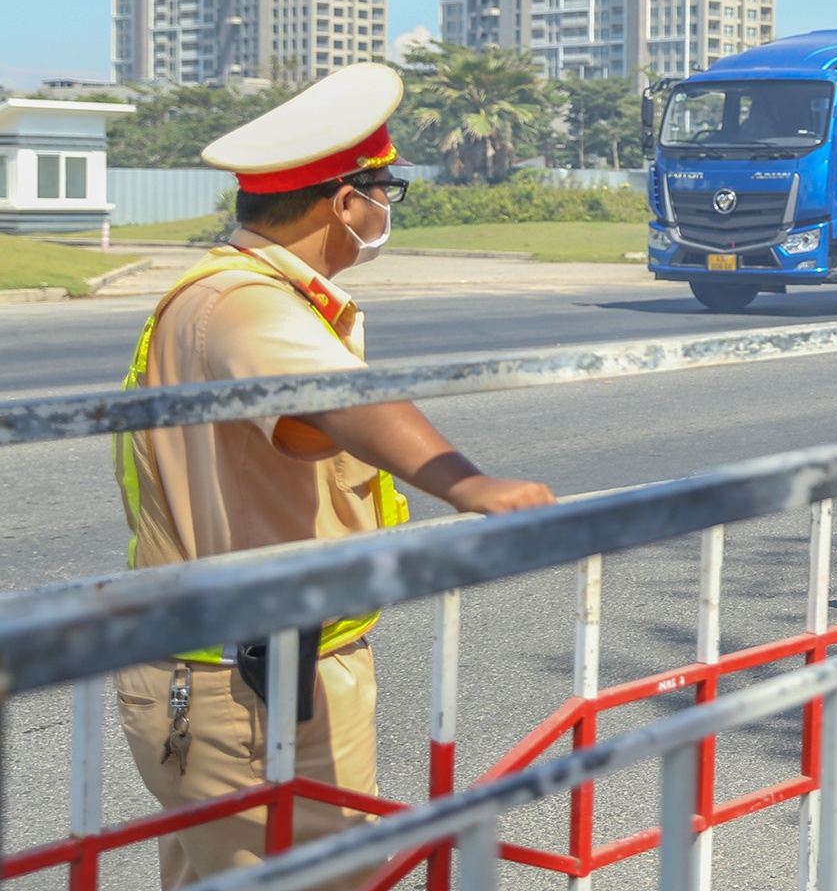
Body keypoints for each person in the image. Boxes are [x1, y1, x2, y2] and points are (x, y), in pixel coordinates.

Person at [113, 64, 555, 891]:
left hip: (248, 668)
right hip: (248, 688)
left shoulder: (257, 296)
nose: (387, 211)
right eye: (384, 191)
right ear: (345, 202)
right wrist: (469, 485)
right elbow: (345, 400)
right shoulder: (245, 304)